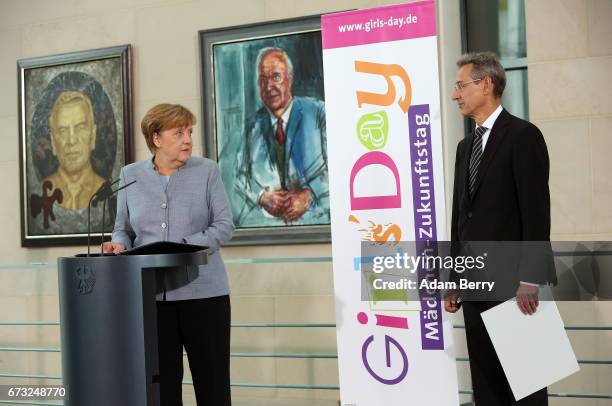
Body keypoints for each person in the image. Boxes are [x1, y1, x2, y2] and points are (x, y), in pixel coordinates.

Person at [444, 52, 557, 405]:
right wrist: (453, 278)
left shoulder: (524, 136)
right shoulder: (466, 146)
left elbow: (537, 214)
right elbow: (460, 216)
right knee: (487, 386)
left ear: (486, 84)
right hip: (475, 285)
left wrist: (530, 279)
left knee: (526, 385)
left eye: (461, 85)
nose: (455, 94)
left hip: (515, 289)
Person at [103, 104, 234, 405]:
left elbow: (224, 225)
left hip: (205, 295)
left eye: (190, 132)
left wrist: (185, 247)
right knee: (160, 390)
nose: (188, 139)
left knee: (212, 386)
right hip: (151, 299)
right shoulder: (129, 175)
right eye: (179, 133)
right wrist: (118, 245)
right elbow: (122, 229)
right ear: (157, 137)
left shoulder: (207, 171)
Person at [234, 47, 329, 227]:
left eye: (276, 77)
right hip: (266, 229)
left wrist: (309, 196)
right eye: (263, 80)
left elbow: (341, 167)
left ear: (289, 79)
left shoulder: (319, 113)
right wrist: (262, 196)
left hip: (318, 224)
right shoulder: (251, 126)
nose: (269, 87)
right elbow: (239, 176)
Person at [44, 91, 104, 209]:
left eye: (80, 128)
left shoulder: (108, 190)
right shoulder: (42, 192)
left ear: (93, 136)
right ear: (53, 141)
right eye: (62, 130)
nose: (71, 141)